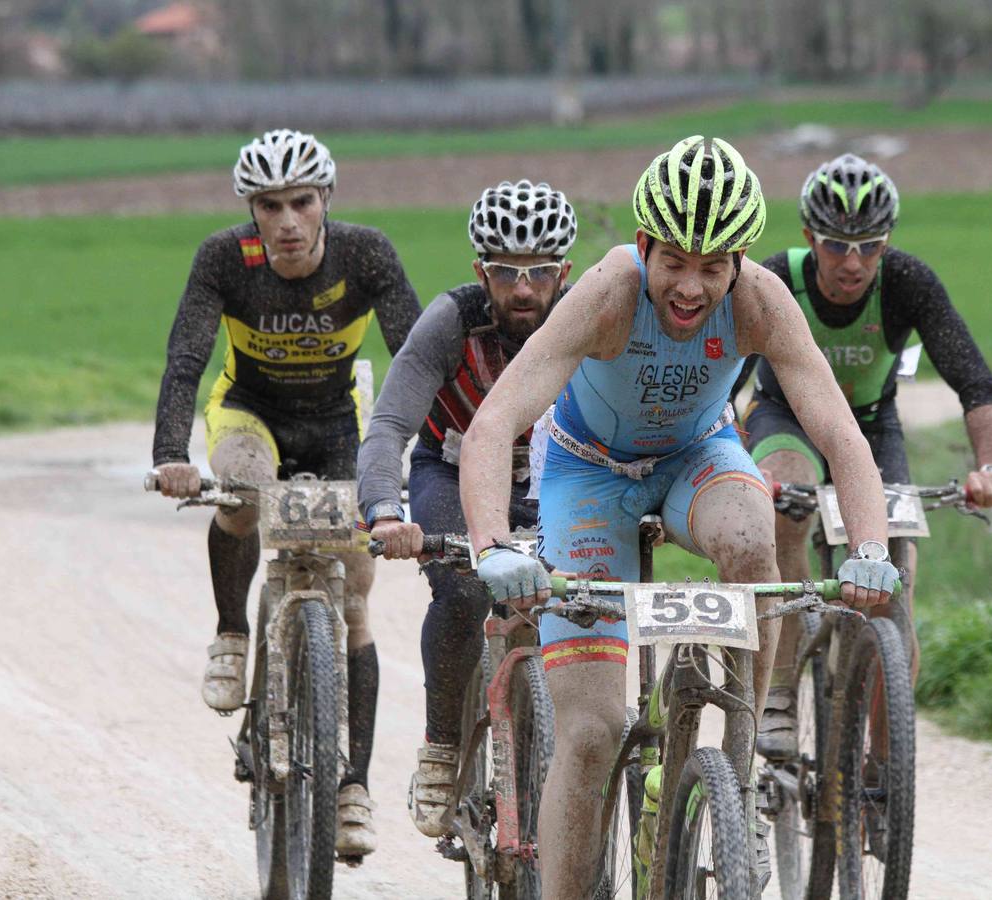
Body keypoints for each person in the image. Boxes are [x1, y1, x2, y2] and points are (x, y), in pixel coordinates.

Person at [457, 136, 901, 896]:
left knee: (752, 541)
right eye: (675, 262)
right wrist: (494, 545)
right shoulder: (606, 295)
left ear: (739, 263)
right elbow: (494, 424)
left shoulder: (762, 301)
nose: (692, 287)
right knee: (593, 733)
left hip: (697, 454)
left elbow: (839, 432)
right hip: (587, 473)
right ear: (643, 247)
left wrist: (869, 547)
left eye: (713, 265)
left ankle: (737, 764)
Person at [150, 128, 422, 858]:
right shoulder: (224, 259)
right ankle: (234, 634)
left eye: (301, 202)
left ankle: (353, 785)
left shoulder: (366, 254)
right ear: (252, 209)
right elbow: (186, 359)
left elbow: (419, 360)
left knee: (357, 595)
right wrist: (170, 455)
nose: (287, 223)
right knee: (238, 492)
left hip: (339, 424)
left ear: (326, 199)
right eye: (269, 206)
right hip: (251, 413)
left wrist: (435, 456)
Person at [739, 152, 992, 759]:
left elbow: (975, 382)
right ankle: (780, 689)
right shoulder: (774, 278)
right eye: (838, 245)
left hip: (869, 430)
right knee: (786, 502)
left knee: (893, 581)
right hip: (785, 419)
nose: (854, 263)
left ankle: (885, 766)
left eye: (870, 245)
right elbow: (719, 380)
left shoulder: (908, 282)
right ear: (811, 237)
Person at [355, 179, 577, 838]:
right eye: (506, 271)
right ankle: (442, 747)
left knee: (582, 596)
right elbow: (391, 424)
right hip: (449, 471)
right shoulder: (451, 323)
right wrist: (383, 510)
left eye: (540, 271)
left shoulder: (585, 320)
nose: (523, 288)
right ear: (481, 271)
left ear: (564, 272)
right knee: (461, 591)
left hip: (550, 479)